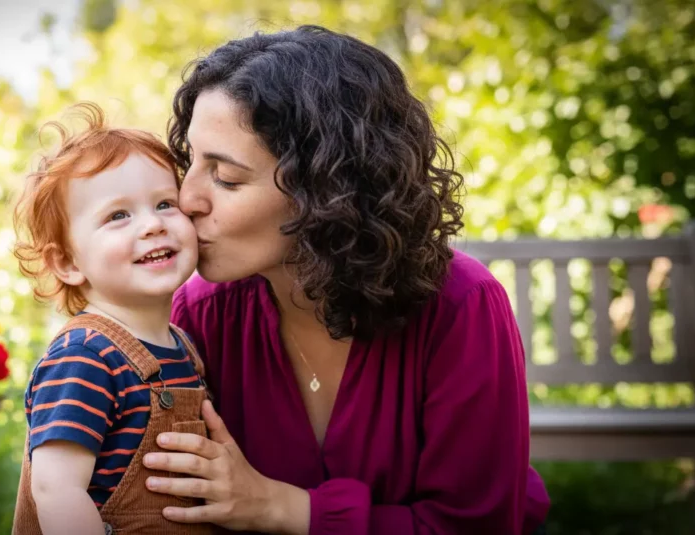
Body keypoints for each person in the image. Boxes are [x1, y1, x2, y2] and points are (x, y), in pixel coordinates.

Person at [139, 25, 551, 534]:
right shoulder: (201, 310)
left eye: (225, 177)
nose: (186, 199)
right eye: (191, 162)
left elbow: (475, 525)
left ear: (325, 188)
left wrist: (281, 508)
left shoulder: (461, 305)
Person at [10, 103, 217, 535]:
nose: (152, 225)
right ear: (68, 263)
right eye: (118, 215)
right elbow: (56, 491)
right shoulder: (85, 357)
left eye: (165, 203)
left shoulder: (183, 347)